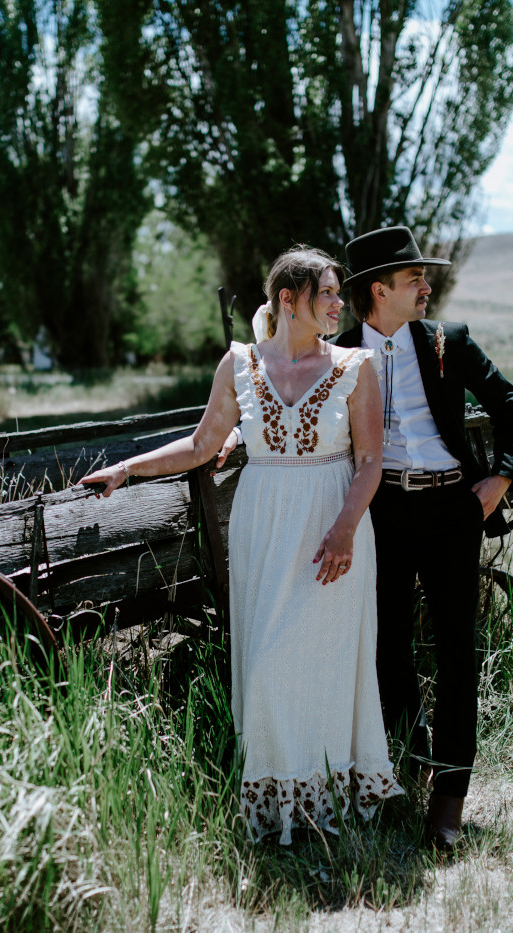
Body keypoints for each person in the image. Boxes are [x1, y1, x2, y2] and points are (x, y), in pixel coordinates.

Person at [80, 247, 403, 844]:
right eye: (327, 293)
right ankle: (279, 801)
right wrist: (127, 467)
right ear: (288, 299)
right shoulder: (239, 365)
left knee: (325, 664)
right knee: (267, 665)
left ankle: (323, 797)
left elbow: (370, 460)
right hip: (264, 527)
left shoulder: (358, 366)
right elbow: (203, 445)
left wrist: (344, 527)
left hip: (332, 526)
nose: (338, 304)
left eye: (337, 294)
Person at [333, 225, 513, 851]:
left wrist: (500, 476)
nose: (427, 285)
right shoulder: (337, 355)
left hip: (450, 508)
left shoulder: (449, 342)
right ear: (378, 291)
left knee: (456, 652)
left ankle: (448, 803)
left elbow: (509, 403)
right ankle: (410, 762)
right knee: (388, 648)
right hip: (380, 512)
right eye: (414, 277)